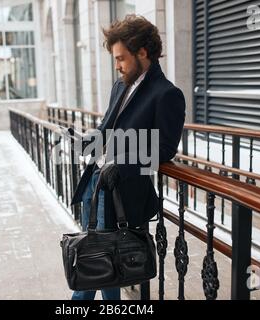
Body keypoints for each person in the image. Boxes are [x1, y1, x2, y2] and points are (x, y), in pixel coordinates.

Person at [70, 14, 186, 300]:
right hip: (94, 186)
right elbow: (106, 130)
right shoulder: (120, 86)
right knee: (98, 257)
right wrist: (83, 143)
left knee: (95, 260)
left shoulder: (167, 94)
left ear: (143, 52)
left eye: (121, 58)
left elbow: (164, 148)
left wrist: (124, 163)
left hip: (122, 193)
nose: (118, 66)